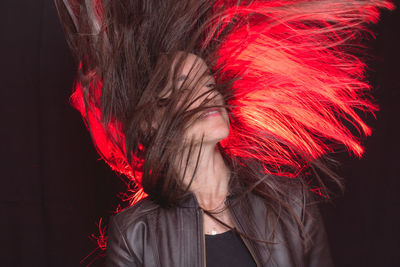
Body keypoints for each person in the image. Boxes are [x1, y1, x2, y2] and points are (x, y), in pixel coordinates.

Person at [54, 0, 393, 266]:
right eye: (186, 86)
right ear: (152, 121)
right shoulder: (135, 233)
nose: (208, 93)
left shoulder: (291, 204)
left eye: (209, 82)